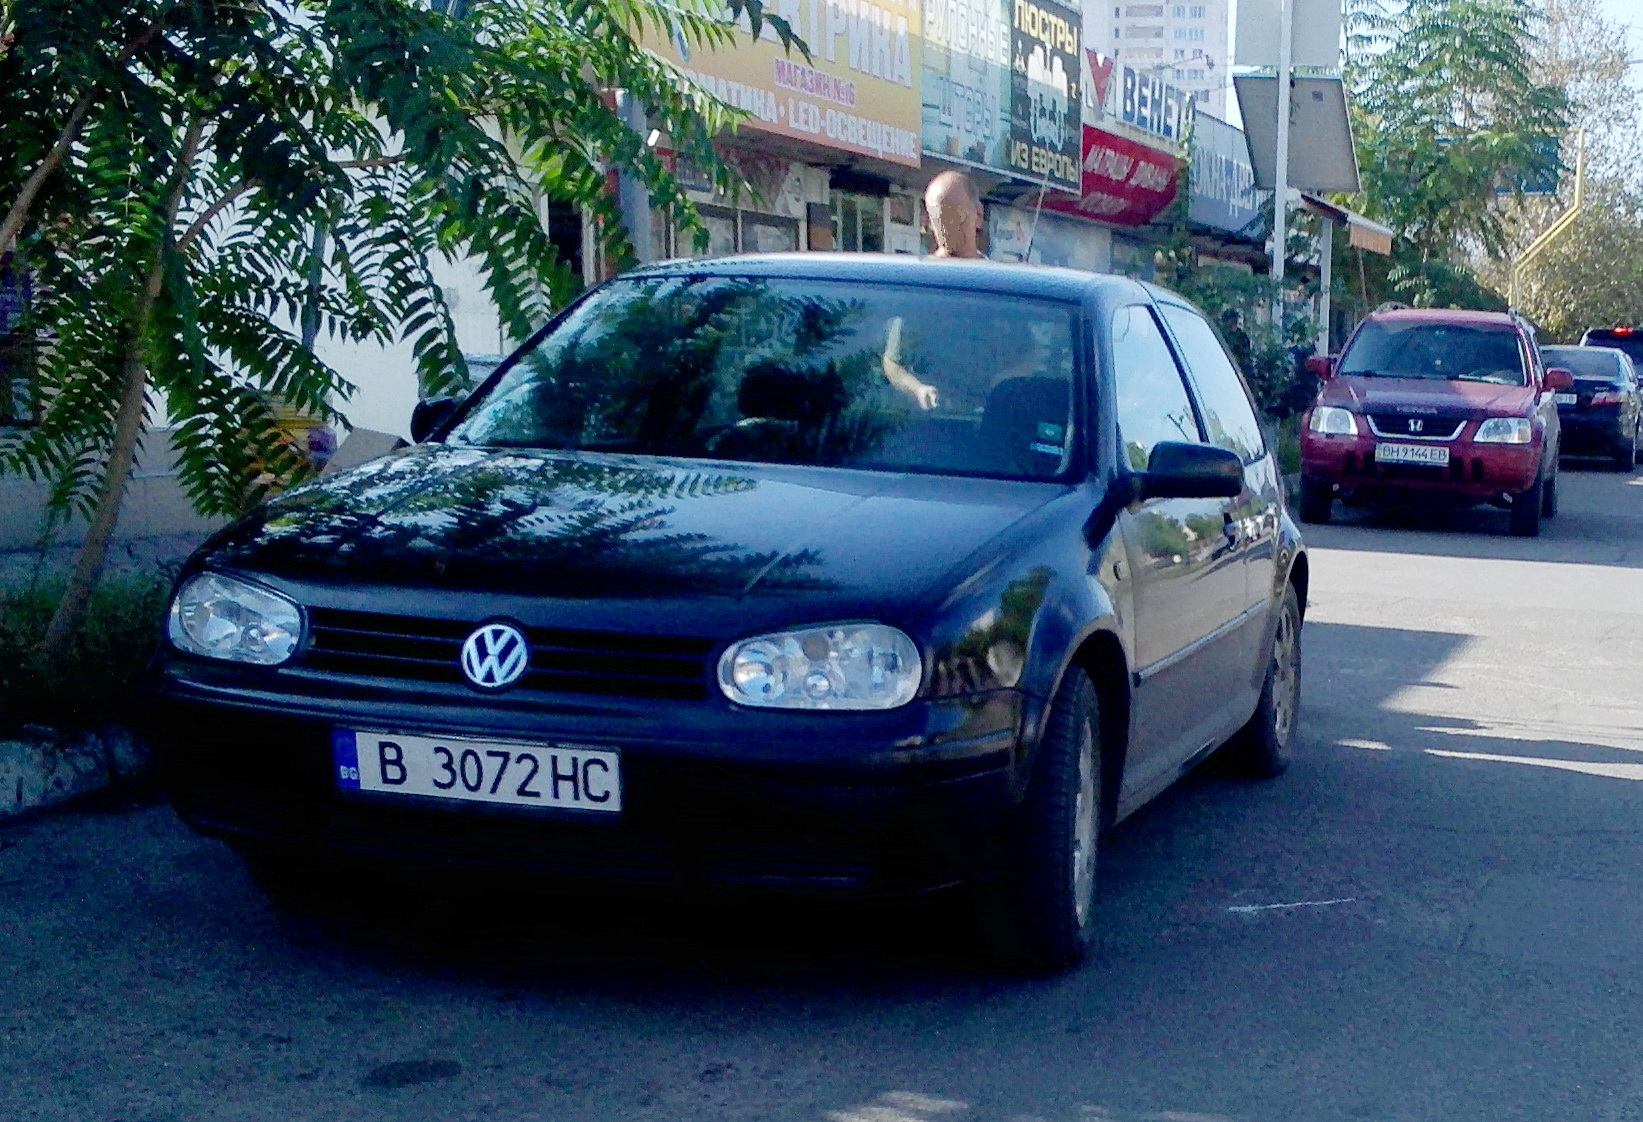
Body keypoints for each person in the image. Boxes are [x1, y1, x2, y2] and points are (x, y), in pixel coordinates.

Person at [881, 171, 987, 407]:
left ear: (978, 215)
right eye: (939, 218)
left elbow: (1027, 358)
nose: (947, 228)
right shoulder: (920, 285)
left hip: (990, 418)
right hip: (932, 421)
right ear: (929, 221)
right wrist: (918, 389)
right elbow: (892, 362)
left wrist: (999, 386)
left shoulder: (1002, 285)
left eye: (955, 217)